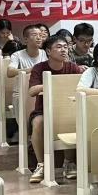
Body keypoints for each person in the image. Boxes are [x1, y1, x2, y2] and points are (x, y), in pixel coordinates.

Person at [27, 34, 85, 183]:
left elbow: (82, 85)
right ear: (48, 51)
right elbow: (32, 91)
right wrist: (53, 83)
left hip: (66, 109)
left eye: (65, 47)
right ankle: (41, 165)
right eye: (59, 47)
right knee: (38, 123)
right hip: (43, 110)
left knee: (72, 120)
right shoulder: (39, 68)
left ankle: (69, 162)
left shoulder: (72, 67)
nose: (63, 50)